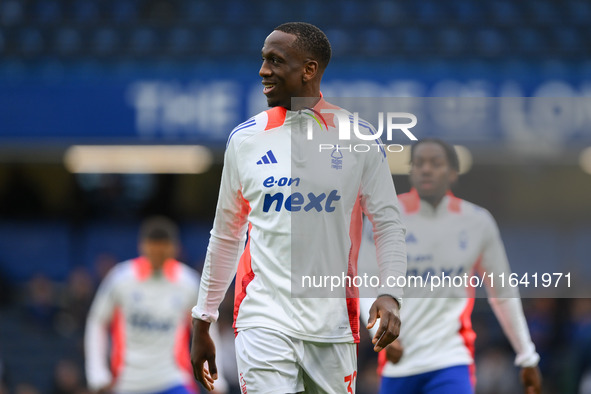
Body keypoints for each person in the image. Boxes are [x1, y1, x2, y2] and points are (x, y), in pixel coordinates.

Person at [190, 22, 407, 394]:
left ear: (309, 69)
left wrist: (391, 293)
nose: (263, 70)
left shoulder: (359, 138)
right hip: (263, 321)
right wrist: (203, 319)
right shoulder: (244, 140)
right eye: (263, 60)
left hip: (333, 326)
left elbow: (387, 225)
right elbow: (226, 234)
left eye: (275, 61)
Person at [359, 138, 542, 394]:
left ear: (453, 173)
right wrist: (380, 333)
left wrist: (527, 356)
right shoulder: (386, 216)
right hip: (398, 362)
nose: (426, 169)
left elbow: (502, 294)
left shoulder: (477, 222)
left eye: (436, 163)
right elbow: (364, 281)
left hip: (451, 361)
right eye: (419, 163)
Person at [84, 216, 227, 394]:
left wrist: (216, 378)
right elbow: (97, 321)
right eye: (153, 248)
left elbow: (206, 329)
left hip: (173, 380)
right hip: (128, 383)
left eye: (163, 249)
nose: (158, 255)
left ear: (174, 248)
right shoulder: (120, 279)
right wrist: (97, 373)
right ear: (142, 246)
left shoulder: (187, 282)